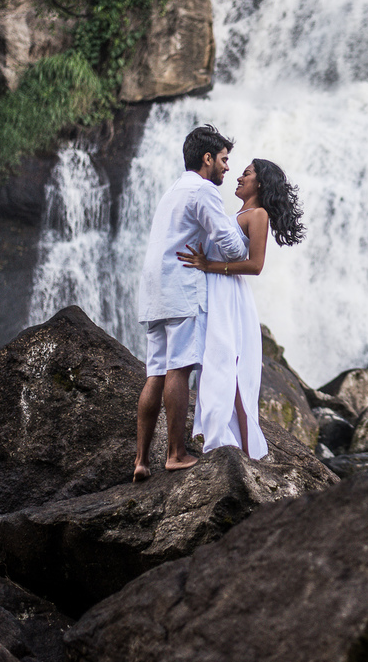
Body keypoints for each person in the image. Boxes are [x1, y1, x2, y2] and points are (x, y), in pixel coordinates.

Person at [133, 125, 247, 483]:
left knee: (155, 372)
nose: (227, 167)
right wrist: (245, 240)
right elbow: (232, 247)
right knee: (179, 369)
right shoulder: (203, 190)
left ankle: (140, 460)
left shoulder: (173, 189)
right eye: (224, 160)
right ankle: (176, 454)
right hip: (181, 289)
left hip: (154, 290)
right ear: (207, 158)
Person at [177, 158, 305, 459]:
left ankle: (241, 450)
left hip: (230, 297)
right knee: (220, 367)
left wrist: (209, 265)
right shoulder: (237, 214)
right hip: (217, 293)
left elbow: (256, 265)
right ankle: (234, 444)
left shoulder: (258, 214)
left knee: (228, 369)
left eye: (246, 174)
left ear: (259, 183)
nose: (238, 177)